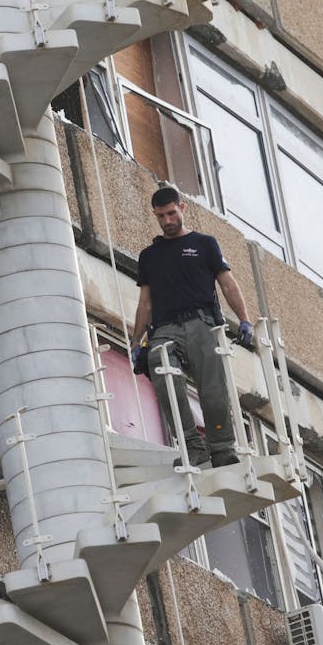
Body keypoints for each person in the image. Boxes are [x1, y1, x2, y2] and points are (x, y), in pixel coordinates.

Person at [129, 185, 256, 468]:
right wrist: (136, 341)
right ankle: (192, 446)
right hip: (164, 328)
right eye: (160, 216)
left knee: (212, 389)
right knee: (165, 381)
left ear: (182, 208)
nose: (167, 221)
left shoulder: (204, 244)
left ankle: (222, 449)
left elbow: (227, 284)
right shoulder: (149, 256)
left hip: (202, 322)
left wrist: (244, 320)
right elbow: (145, 303)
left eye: (171, 213)